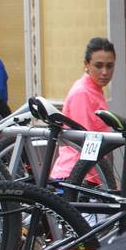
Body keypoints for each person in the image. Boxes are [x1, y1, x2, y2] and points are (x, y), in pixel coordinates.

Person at [51, 38, 117, 185]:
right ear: (86, 65)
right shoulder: (82, 93)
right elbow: (85, 142)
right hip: (78, 176)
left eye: (110, 66)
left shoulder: (94, 89)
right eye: (98, 66)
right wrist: (105, 182)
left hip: (86, 174)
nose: (105, 72)